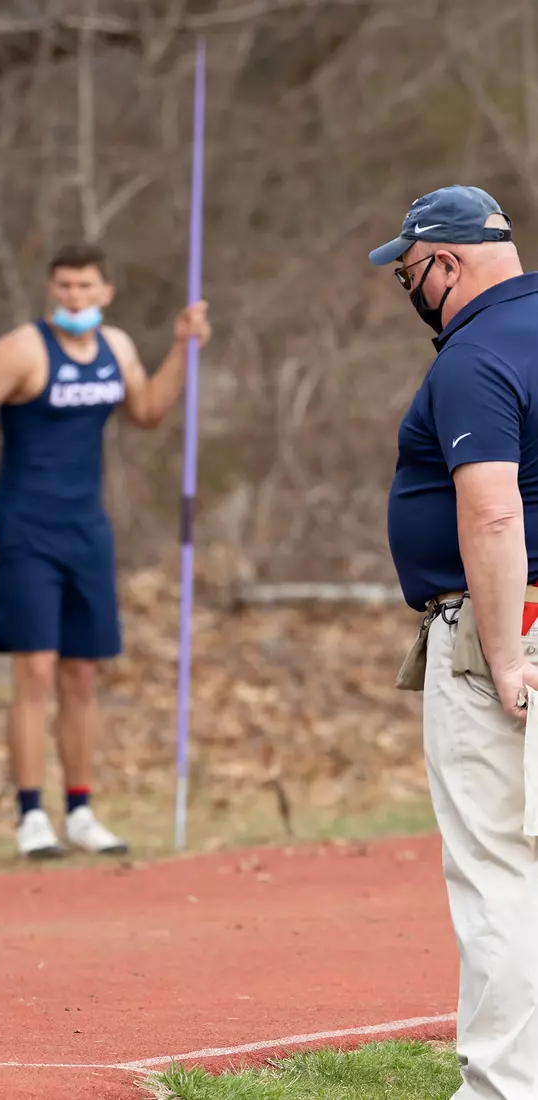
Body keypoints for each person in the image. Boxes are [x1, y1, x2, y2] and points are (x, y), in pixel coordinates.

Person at [0, 243, 209, 860]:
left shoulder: (116, 348)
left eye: (86, 287)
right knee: (34, 672)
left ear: (105, 292)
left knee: (82, 675)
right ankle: (32, 814)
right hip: (25, 527)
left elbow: (146, 412)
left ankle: (82, 809)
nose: (74, 298)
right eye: (63, 286)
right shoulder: (23, 350)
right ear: (50, 290)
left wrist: (183, 348)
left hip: (87, 529)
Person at [375, 184, 538, 1100]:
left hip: (504, 624)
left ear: (444, 262)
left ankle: (503, 1090)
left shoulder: (474, 354)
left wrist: (505, 650)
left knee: (498, 871)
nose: (410, 292)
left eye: (408, 272)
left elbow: (490, 505)